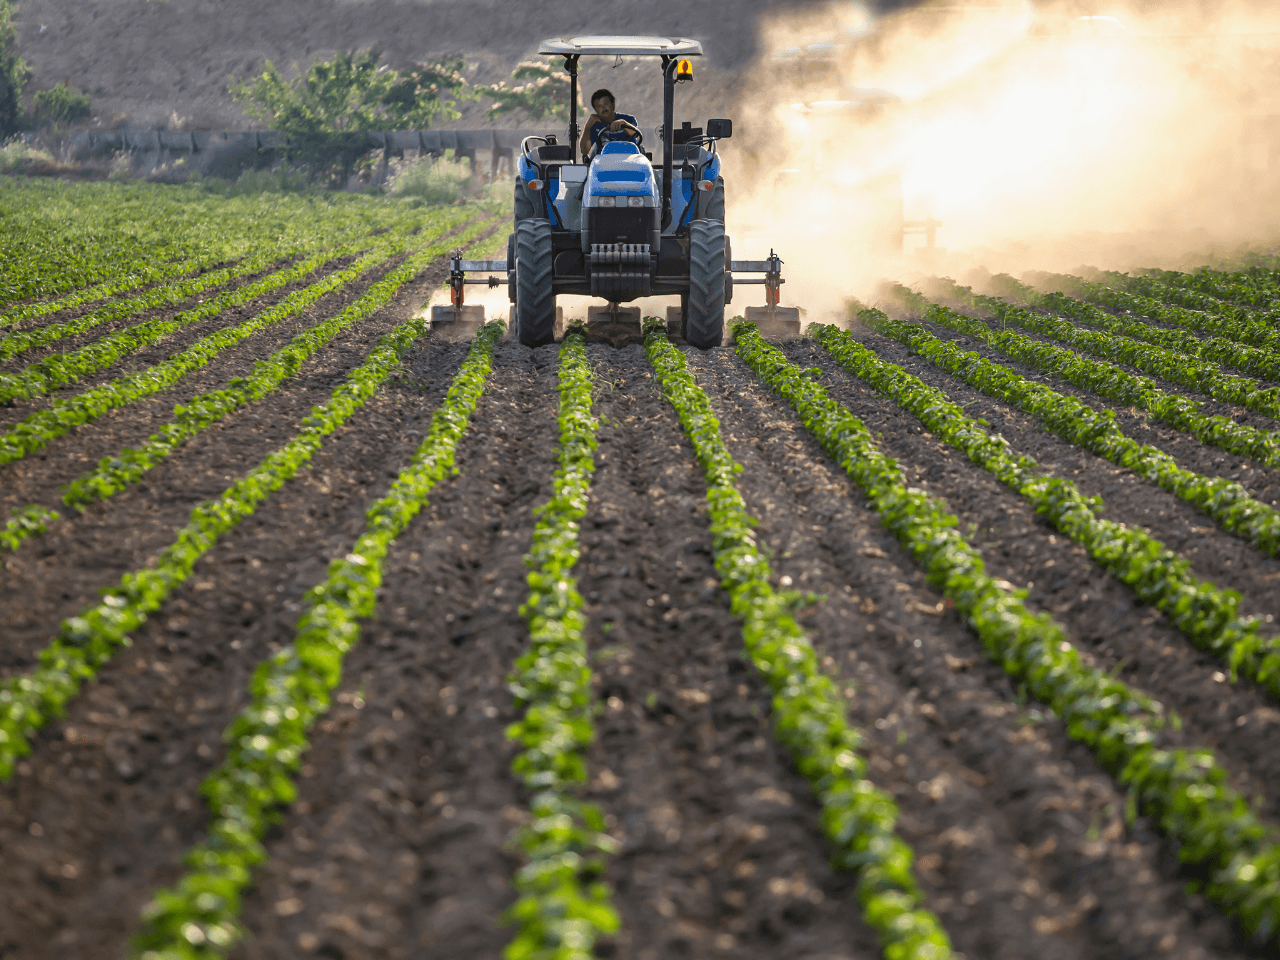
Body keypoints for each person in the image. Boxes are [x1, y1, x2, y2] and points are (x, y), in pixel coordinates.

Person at [579, 89, 641, 156]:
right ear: (595, 110)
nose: (603, 108)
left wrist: (624, 124)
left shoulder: (629, 119)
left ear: (612, 104)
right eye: (599, 106)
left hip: (630, 158)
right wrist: (588, 126)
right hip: (604, 161)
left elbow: (635, 134)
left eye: (606, 104)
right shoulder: (595, 125)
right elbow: (584, 150)